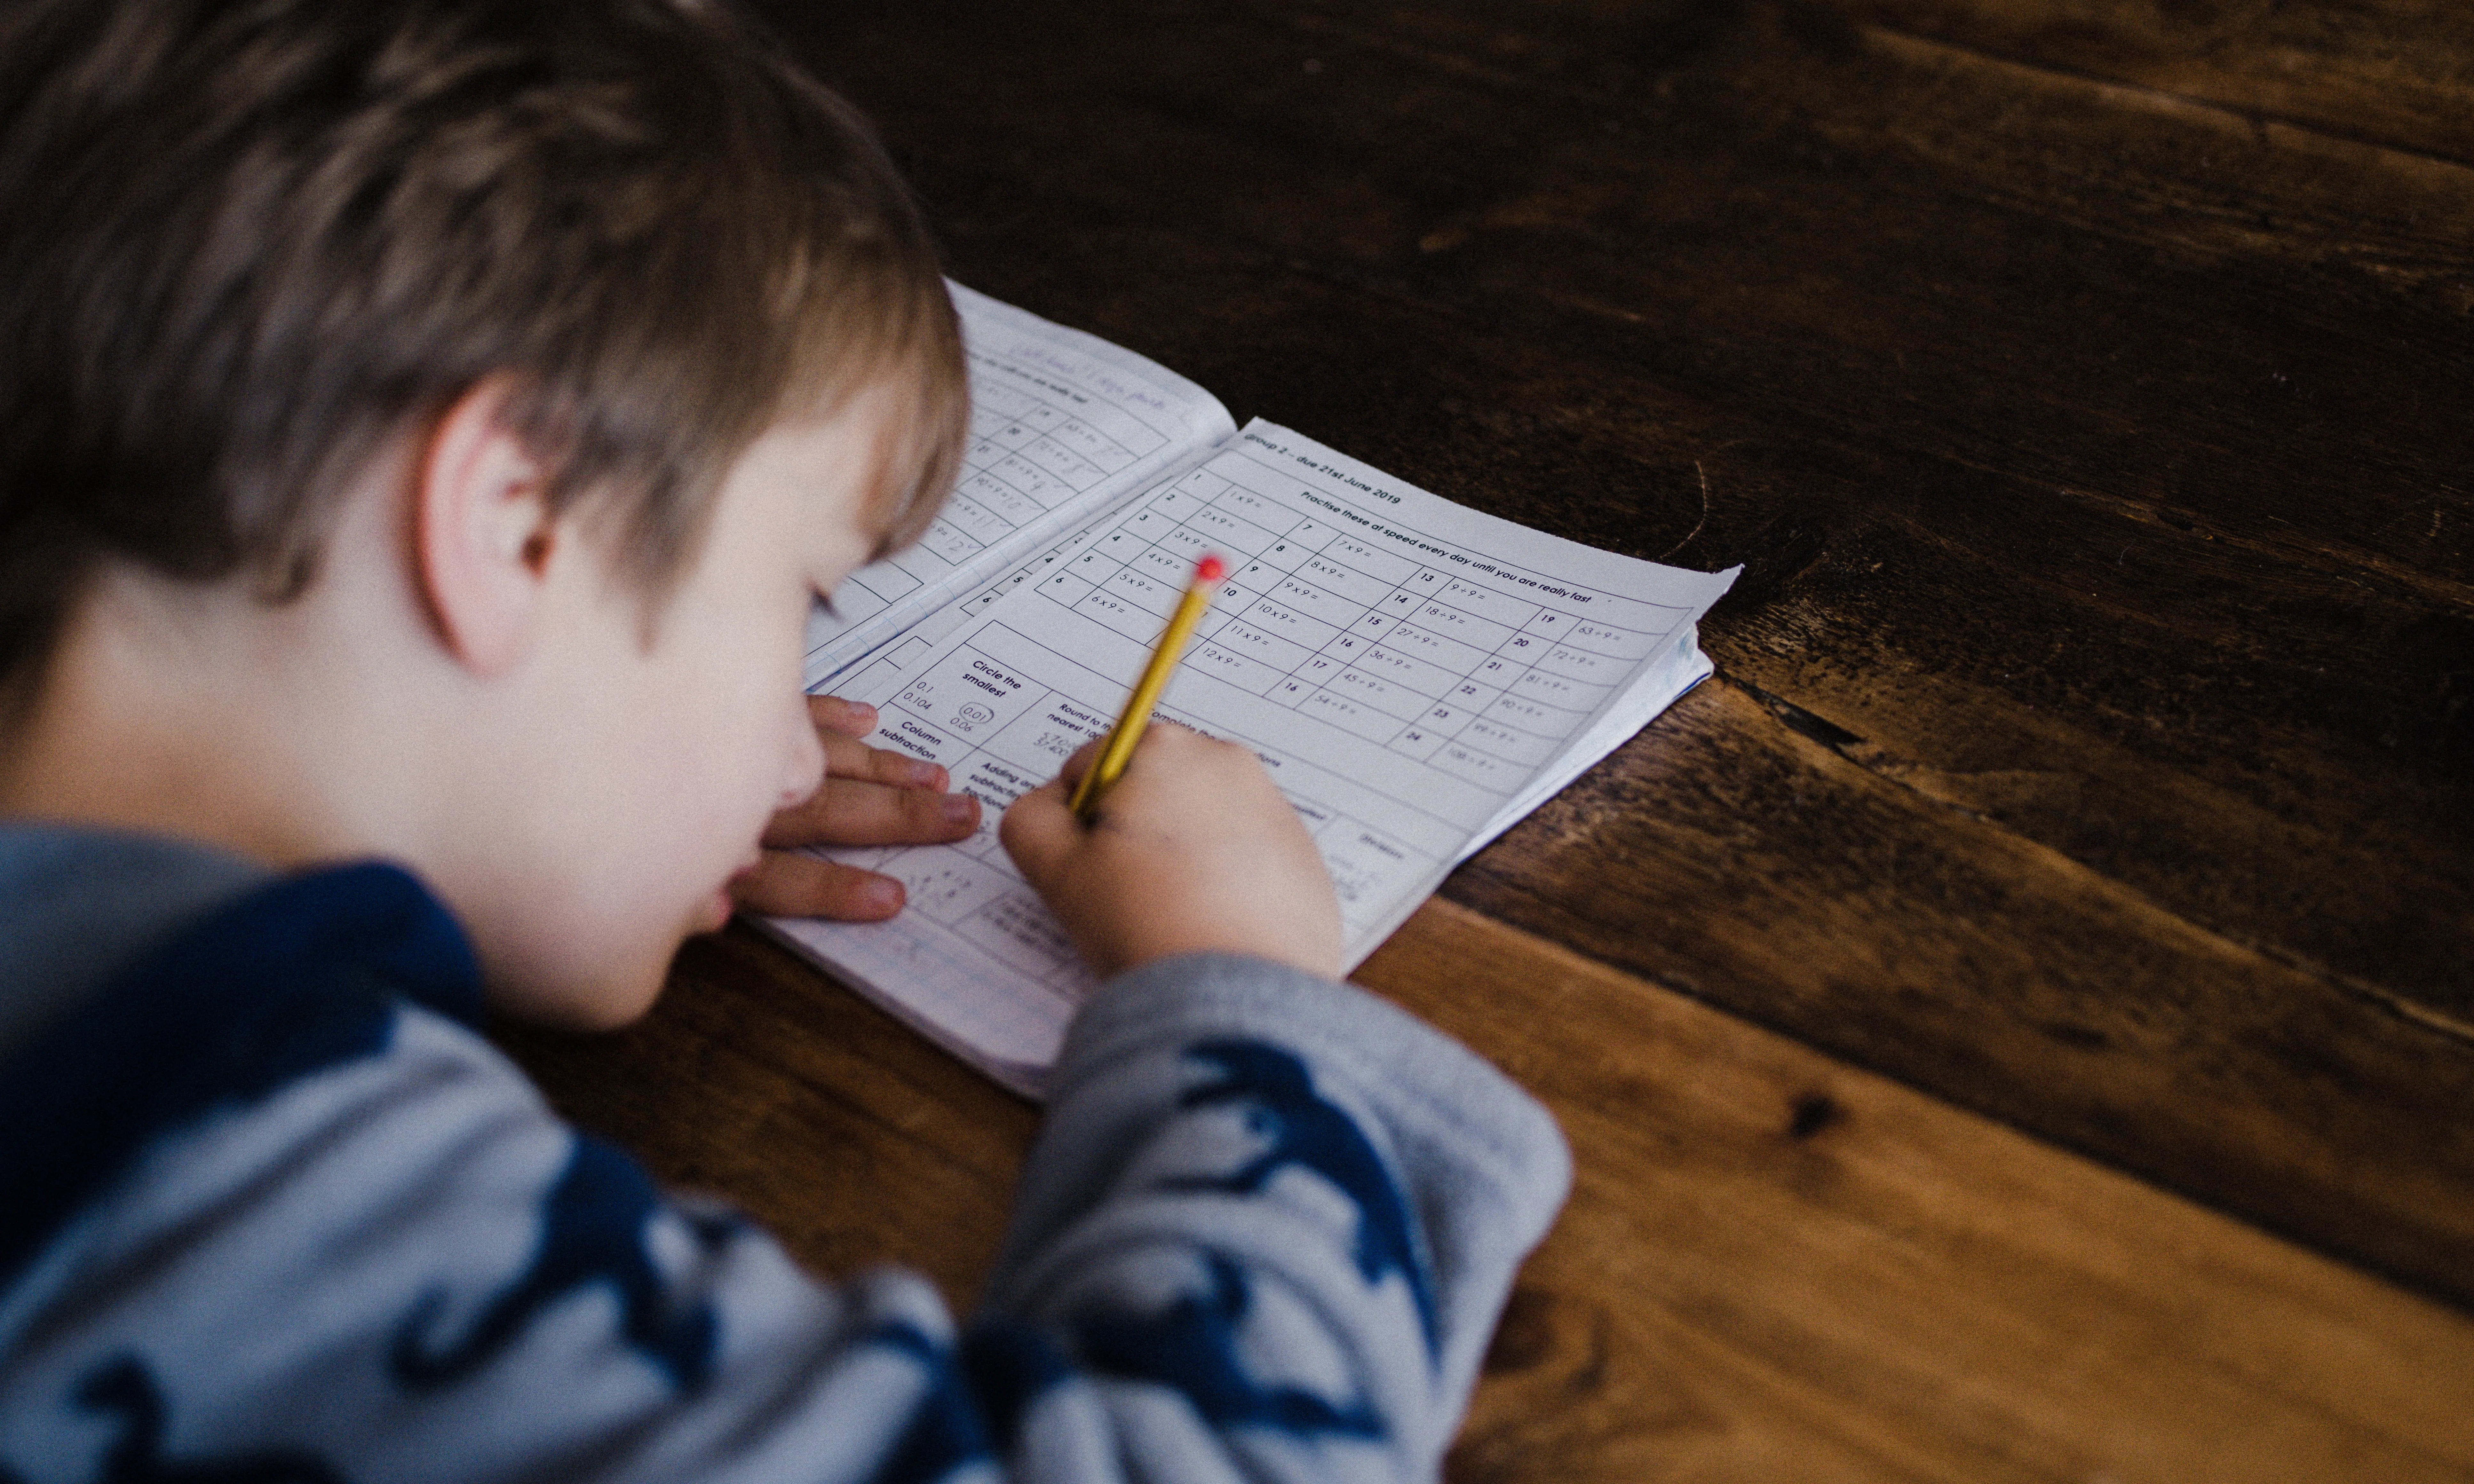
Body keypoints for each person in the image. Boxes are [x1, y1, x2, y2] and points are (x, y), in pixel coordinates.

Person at [0, 0, 1570, 1479]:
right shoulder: (232, 1183)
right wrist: (1241, 996)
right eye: (802, 597)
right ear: (518, 523)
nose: (799, 758)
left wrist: (548, 808)